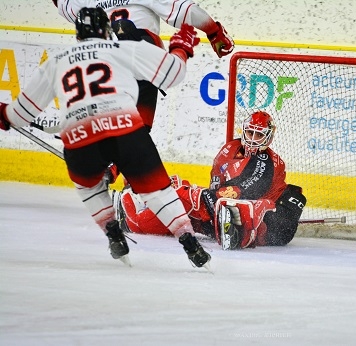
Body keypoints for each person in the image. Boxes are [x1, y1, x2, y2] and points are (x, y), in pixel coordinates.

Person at [0, 7, 211, 269]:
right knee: (156, 191)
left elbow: (19, 113)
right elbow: (172, 74)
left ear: (77, 35)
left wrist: (4, 115)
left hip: (79, 138)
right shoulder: (123, 49)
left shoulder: (56, 62)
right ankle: (189, 242)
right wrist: (182, 48)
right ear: (107, 30)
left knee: (89, 185)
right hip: (126, 130)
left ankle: (112, 231)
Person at [112, 111, 307, 250]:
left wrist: (202, 196)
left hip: (264, 221)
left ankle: (234, 230)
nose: (253, 139)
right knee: (175, 215)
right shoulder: (230, 149)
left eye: (259, 134)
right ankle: (129, 214)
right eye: (250, 132)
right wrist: (206, 199)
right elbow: (217, 183)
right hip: (220, 212)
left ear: (268, 137)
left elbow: (246, 189)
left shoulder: (268, 162)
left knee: (183, 194)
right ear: (244, 130)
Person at [52, 0, 234, 131]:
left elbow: (63, 5)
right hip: (141, 55)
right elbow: (188, 12)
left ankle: (110, 163)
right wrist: (214, 32)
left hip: (104, 62)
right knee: (138, 127)